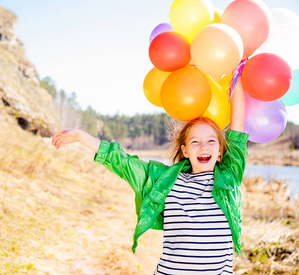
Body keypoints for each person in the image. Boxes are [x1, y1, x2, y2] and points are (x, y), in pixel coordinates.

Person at [52, 77, 248, 274]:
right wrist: (81, 137)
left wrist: (238, 75)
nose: (204, 146)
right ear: (185, 150)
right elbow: (123, 162)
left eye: (211, 141)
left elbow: (237, 125)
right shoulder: (165, 181)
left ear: (221, 150)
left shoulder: (229, 177)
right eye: (195, 142)